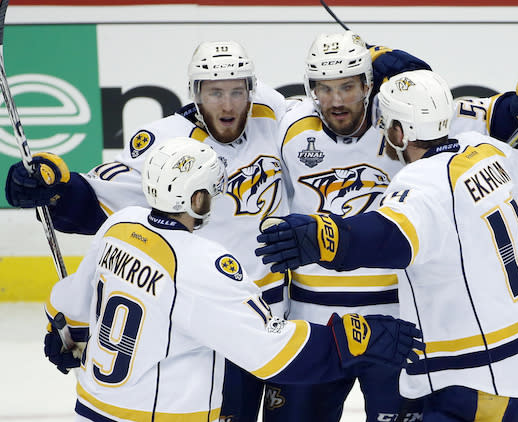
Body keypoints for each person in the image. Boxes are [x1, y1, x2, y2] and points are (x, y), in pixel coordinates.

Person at [268, 29, 518, 422]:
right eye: (324, 88)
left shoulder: (407, 125)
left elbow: (502, 113)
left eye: (348, 86)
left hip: (399, 330)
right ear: (310, 88)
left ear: (370, 85)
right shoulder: (289, 123)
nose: (337, 100)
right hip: (315, 322)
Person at [42, 137, 425, 421]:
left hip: (91, 409)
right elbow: (274, 354)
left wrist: (64, 335)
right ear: (199, 198)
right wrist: (359, 337)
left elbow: (68, 306)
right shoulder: (199, 263)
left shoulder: (119, 226)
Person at [6, 41, 291, 422]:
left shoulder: (272, 113)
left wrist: (378, 59)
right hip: (208, 320)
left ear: (251, 89)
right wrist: (56, 192)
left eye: (237, 91)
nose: (228, 105)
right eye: (215, 92)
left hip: (279, 313)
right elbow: (101, 198)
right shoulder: (165, 142)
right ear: (195, 92)